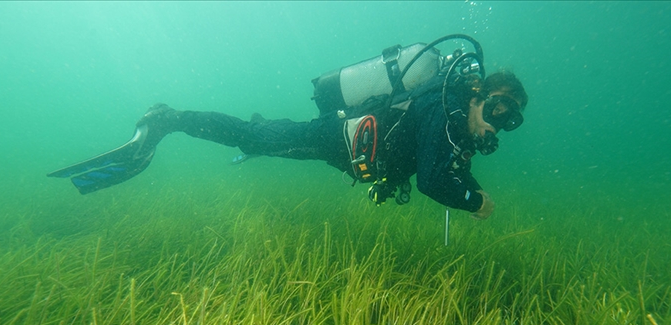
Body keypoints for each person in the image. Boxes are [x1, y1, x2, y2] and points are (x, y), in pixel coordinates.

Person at [48, 43, 527, 221]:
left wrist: (472, 187)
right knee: (259, 141)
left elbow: (441, 165)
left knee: (270, 137)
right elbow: (433, 180)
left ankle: (256, 129)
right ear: (477, 92)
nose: (500, 122)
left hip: (349, 148)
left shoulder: (454, 123)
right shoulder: (441, 108)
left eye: (511, 119)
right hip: (338, 140)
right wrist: (473, 202)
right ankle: (168, 118)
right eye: (499, 108)